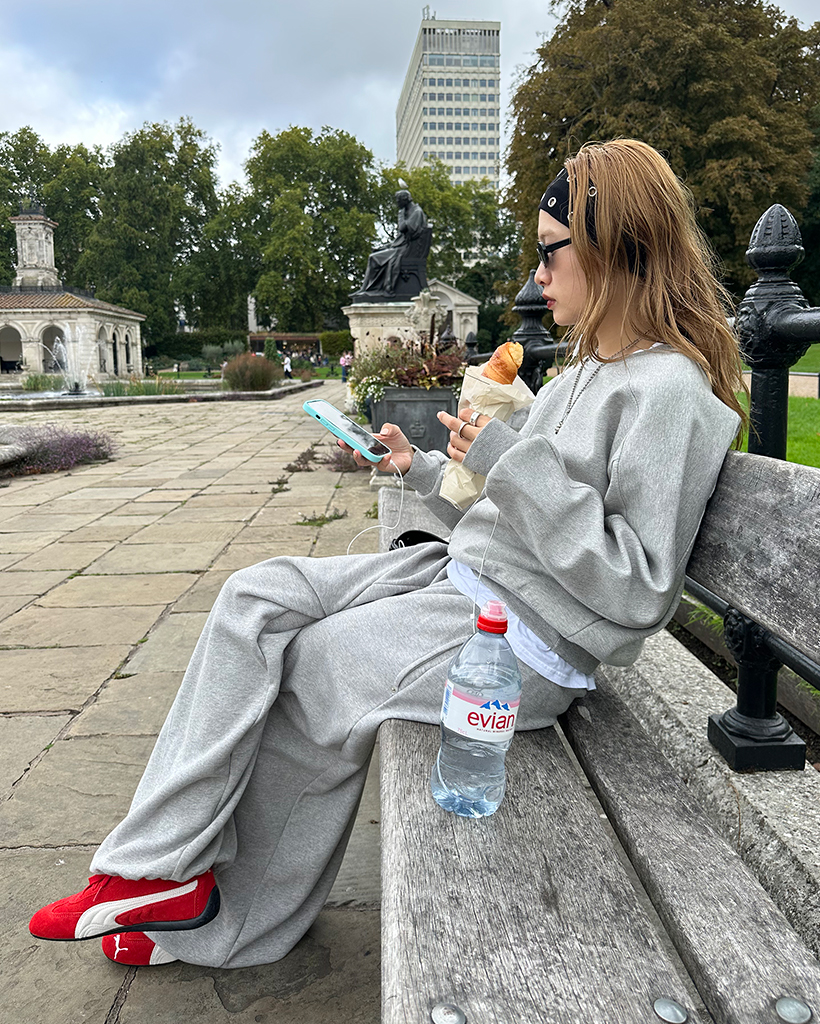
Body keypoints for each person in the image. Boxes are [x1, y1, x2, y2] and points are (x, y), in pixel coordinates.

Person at [29, 139, 746, 970]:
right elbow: (516, 509)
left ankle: (228, 922)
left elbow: (640, 588)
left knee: (316, 669)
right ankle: (156, 865)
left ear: (614, 248)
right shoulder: (590, 369)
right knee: (256, 597)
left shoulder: (668, 392)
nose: (536, 276)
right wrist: (425, 469)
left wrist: (511, 462)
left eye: (552, 252)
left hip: (524, 640)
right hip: (464, 579)